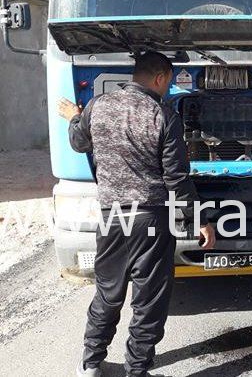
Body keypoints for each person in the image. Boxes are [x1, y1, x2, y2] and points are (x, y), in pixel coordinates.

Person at [58, 52, 216, 377]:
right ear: (159, 79)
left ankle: (89, 364)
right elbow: (176, 179)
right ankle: (137, 371)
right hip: (150, 218)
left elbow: (78, 142)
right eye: (168, 82)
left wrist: (75, 117)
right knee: (149, 300)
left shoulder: (98, 106)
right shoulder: (164, 116)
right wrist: (198, 220)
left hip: (112, 216)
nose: (168, 88)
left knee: (108, 292)